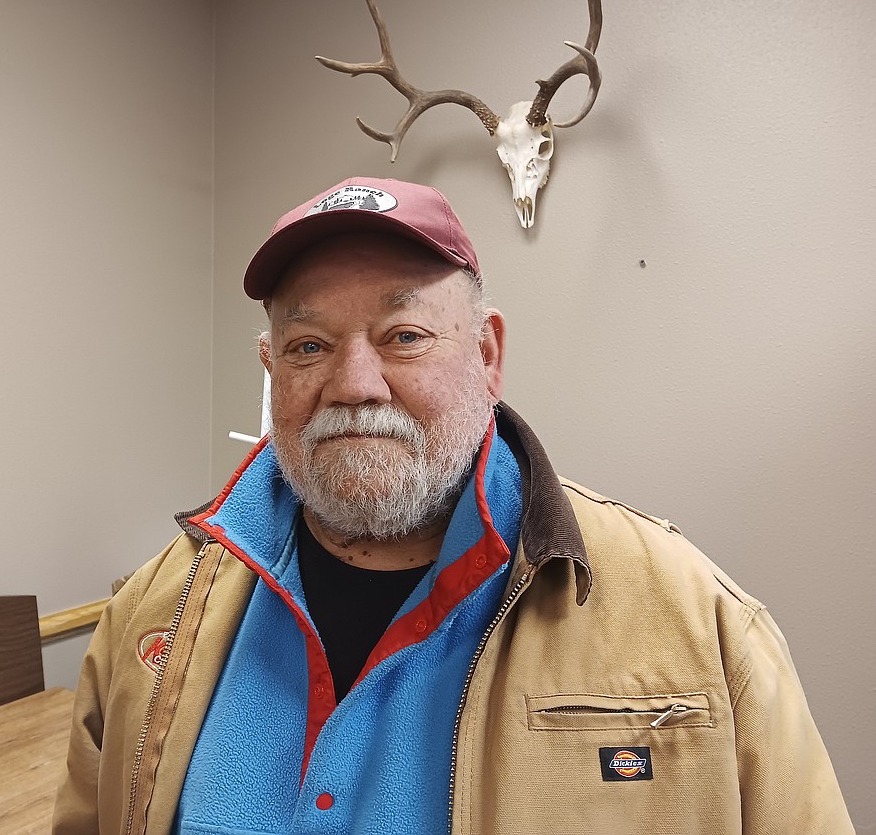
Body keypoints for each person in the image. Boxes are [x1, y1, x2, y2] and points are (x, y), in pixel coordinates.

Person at [53, 176, 853, 834]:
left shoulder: (697, 622)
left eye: (403, 334)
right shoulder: (151, 617)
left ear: (488, 353)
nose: (354, 383)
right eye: (309, 346)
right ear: (273, 368)